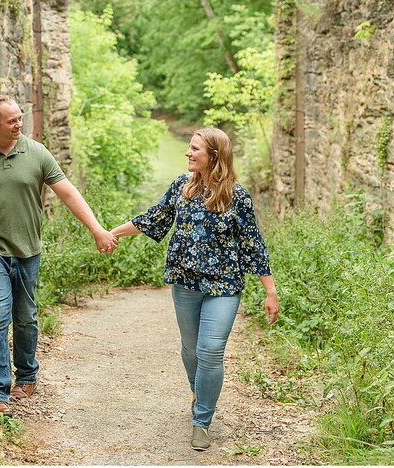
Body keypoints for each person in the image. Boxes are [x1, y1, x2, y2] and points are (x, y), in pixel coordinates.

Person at [0, 94, 117, 416]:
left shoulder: (36, 153)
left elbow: (67, 192)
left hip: (28, 250)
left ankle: (27, 374)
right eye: (12, 121)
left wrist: (96, 228)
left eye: (21, 118)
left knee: (25, 318)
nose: (19, 124)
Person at [110, 127, 279, 451]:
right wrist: (112, 232)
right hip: (187, 284)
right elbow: (154, 219)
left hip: (224, 285)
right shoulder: (182, 187)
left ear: (213, 156)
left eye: (195, 149)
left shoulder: (236, 195)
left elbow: (252, 244)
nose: (188, 153)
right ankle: (198, 391)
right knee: (190, 349)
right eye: (189, 148)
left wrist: (270, 292)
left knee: (210, 350)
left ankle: (202, 420)